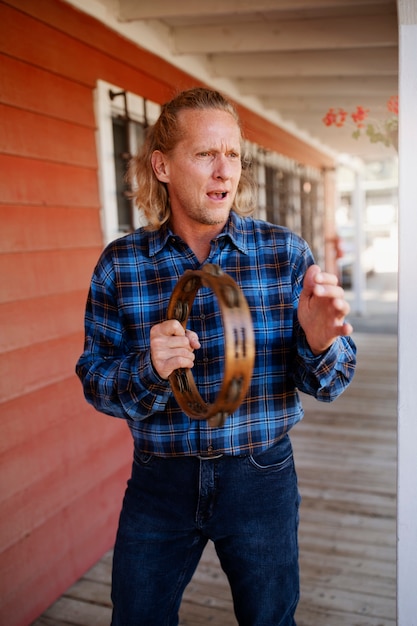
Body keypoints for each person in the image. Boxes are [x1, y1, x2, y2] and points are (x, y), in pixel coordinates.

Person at [76, 87, 356, 626]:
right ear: (162, 165)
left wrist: (320, 343)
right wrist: (149, 368)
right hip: (159, 481)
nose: (224, 171)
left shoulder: (284, 254)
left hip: (261, 474)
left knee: (270, 620)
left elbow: (332, 381)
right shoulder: (121, 264)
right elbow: (95, 380)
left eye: (233, 154)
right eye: (206, 154)